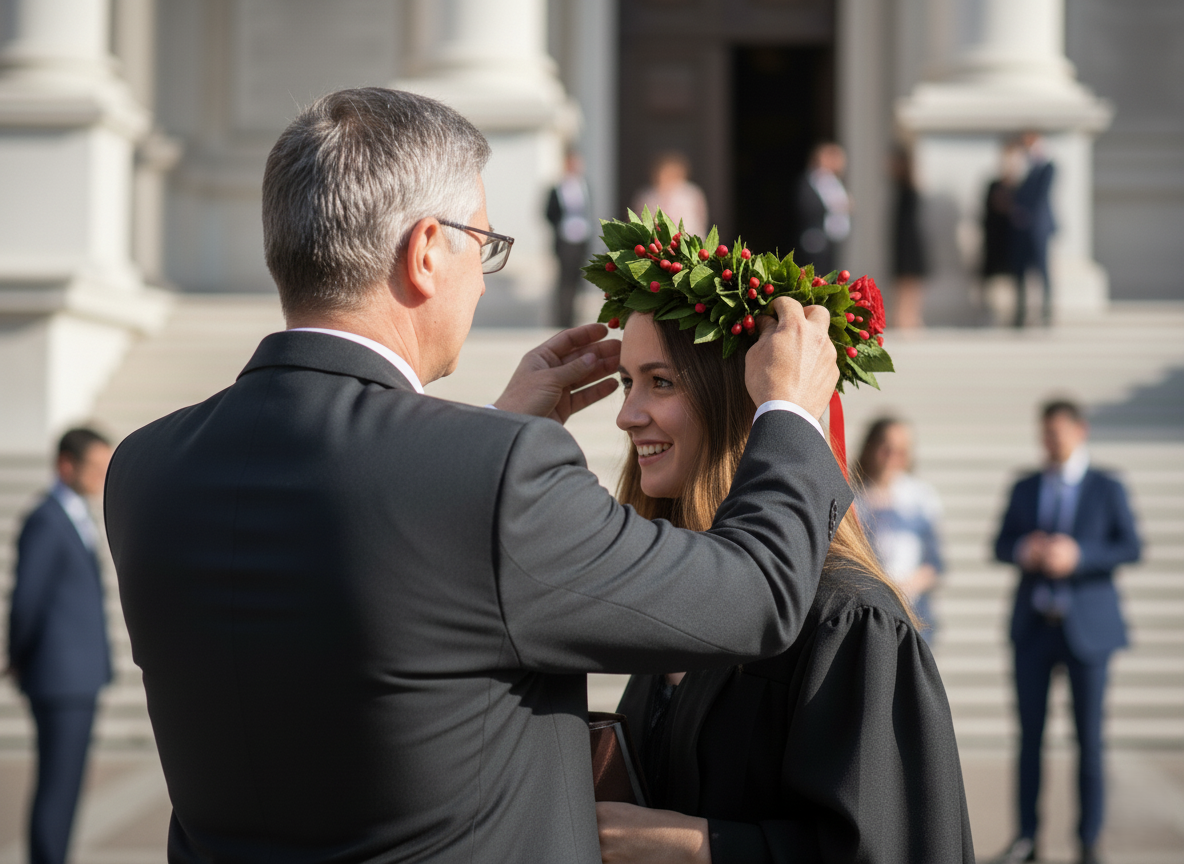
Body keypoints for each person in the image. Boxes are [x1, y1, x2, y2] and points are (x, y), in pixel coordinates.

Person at [103, 88, 848, 864]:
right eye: (483, 245)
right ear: (426, 251)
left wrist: (494, 434)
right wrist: (788, 412)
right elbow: (752, 598)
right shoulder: (494, 476)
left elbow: (383, 596)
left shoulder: (146, 468)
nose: (486, 280)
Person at [599, 313, 974, 864]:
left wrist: (697, 847)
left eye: (661, 381)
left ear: (739, 400)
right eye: (628, 382)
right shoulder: (679, 593)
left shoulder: (848, 618)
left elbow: (893, 848)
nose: (626, 416)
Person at [990, 400, 1142, 864]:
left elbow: (1130, 546)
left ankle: (1088, 839)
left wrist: (1080, 556)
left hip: (1088, 631)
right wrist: (1024, 548)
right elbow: (999, 544)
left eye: (1058, 431)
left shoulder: (1106, 486)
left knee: (1090, 739)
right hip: (1034, 629)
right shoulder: (1025, 485)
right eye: (1045, 432)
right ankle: (1027, 838)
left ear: (1080, 431)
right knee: (1029, 738)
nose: (1051, 440)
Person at [7, 428, 114, 864]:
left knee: (66, 785)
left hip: (76, 676)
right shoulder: (47, 518)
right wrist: (19, 656)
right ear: (65, 465)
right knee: (58, 784)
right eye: (96, 468)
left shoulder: (73, 514)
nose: (102, 478)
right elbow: (26, 600)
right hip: (59, 679)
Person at [853, 417, 944, 642]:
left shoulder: (921, 497)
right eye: (887, 449)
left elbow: (935, 563)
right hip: (867, 615)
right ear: (871, 447)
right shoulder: (853, 497)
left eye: (901, 451)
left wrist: (907, 587)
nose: (892, 458)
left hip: (913, 615)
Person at [1010, 132, 1056, 328]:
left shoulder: (1047, 167)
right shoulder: (1020, 168)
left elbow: (1042, 194)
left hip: (1038, 227)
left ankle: (1046, 312)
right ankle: (1020, 313)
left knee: (1043, 270)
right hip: (1020, 228)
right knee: (1020, 270)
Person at [545, 148, 593, 327]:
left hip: (581, 239)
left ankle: (575, 318)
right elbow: (548, 213)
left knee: (579, 280)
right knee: (564, 283)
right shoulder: (557, 188)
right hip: (565, 240)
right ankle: (562, 319)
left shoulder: (584, 185)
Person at [981, 140, 1026, 324]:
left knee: (1014, 281)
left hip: (1013, 241)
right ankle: (991, 317)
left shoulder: (1022, 187)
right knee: (993, 282)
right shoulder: (993, 185)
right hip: (995, 240)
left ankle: (1015, 317)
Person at [794, 142, 851, 277]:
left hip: (830, 240)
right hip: (813, 239)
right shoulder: (813, 180)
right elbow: (807, 206)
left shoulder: (831, 181)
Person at [889, 146, 928, 329]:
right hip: (904, 240)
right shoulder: (900, 186)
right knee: (904, 282)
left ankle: (909, 318)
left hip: (909, 241)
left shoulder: (907, 187)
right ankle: (904, 318)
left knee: (911, 282)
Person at [630, 151, 708, 237]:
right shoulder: (646, 196)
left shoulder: (690, 194)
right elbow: (636, 221)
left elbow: (700, 219)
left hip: (687, 238)